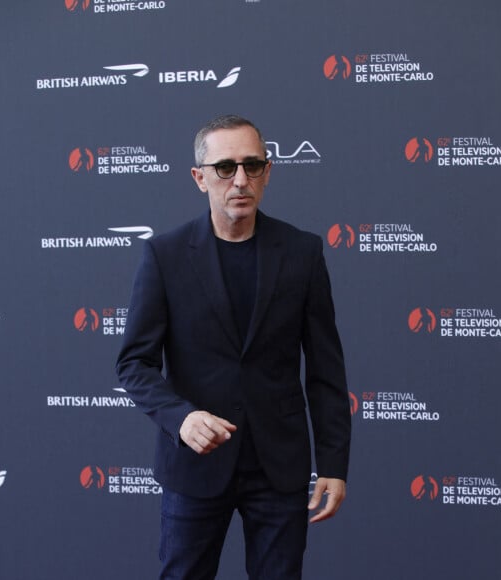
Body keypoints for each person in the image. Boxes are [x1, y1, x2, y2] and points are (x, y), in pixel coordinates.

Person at [116, 114, 351, 580]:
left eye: (253, 165)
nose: (240, 179)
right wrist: (180, 418)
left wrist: (334, 463)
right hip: (194, 466)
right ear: (199, 177)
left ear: (268, 171)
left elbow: (325, 369)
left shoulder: (303, 252)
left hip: (279, 467)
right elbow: (134, 364)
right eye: (225, 167)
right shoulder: (164, 255)